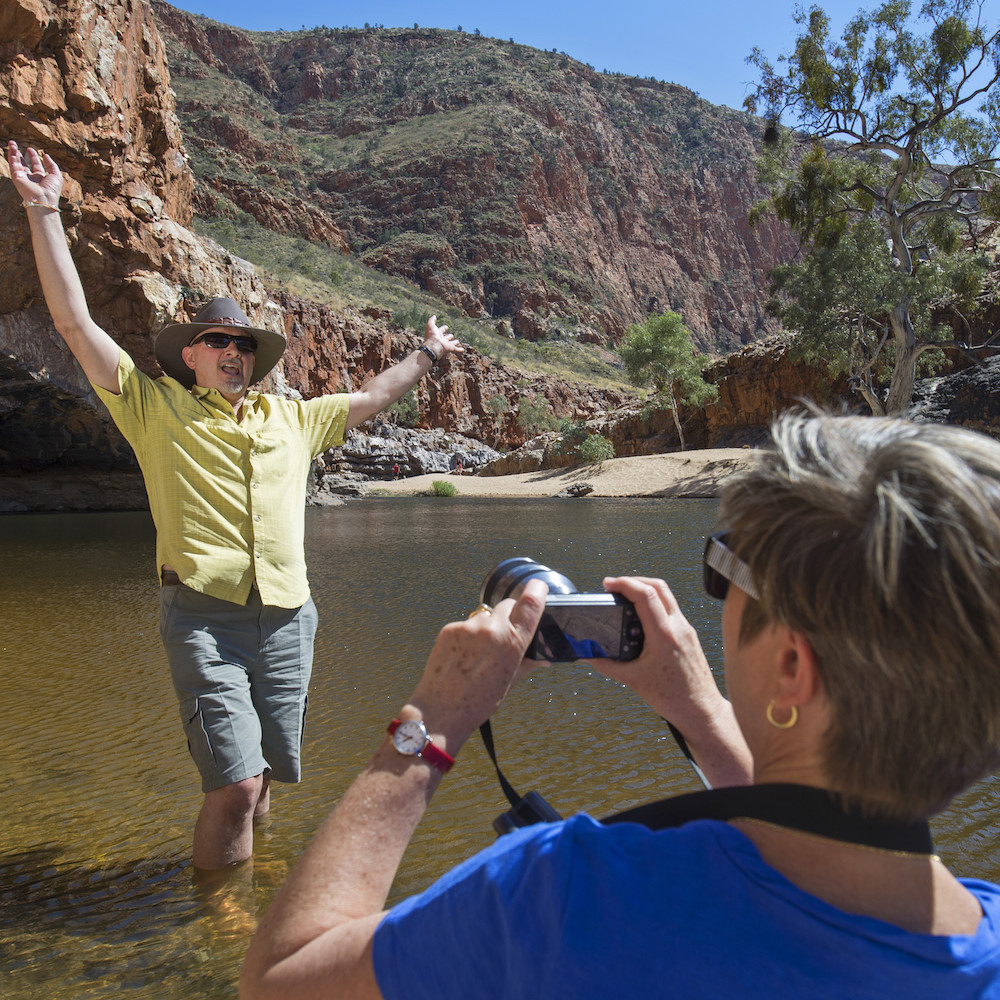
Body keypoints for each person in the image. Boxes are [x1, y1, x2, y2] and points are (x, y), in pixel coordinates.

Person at [240, 410, 1000, 999]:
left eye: (725, 569)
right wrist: (699, 709)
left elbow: (282, 979)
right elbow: (812, 853)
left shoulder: (568, 894)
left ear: (793, 662)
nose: (719, 599)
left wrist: (432, 721)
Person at [7, 140, 464, 871]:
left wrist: (428, 354)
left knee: (265, 779)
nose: (234, 352)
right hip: (203, 618)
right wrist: (43, 210)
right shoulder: (152, 409)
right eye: (219, 341)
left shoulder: (292, 419)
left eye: (244, 345)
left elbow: (374, 396)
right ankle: (220, 929)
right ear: (189, 354)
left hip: (289, 619)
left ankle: (255, 880)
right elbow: (74, 326)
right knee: (236, 781)